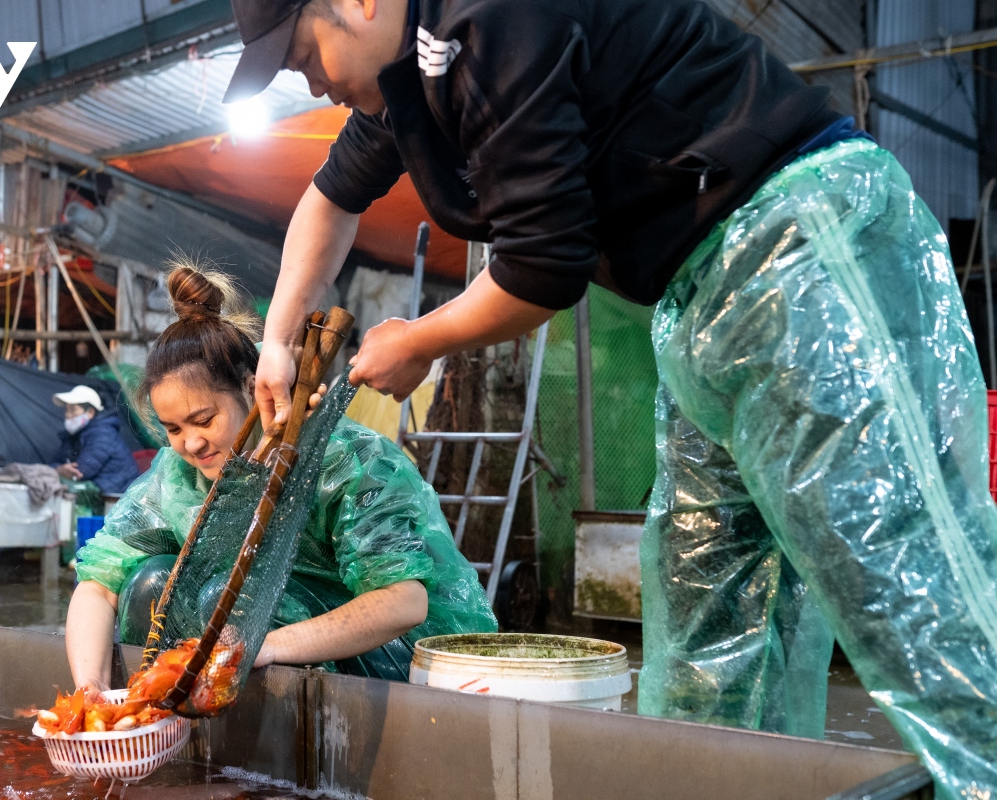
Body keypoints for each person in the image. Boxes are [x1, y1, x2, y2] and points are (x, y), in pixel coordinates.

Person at [226, 0, 997, 795]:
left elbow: (541, 268)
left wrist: (418, 341)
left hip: (799, 250)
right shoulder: (407, 85)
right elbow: (330, 199)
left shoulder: (490, 21)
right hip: (697, 297)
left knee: (903, 569)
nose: (308, 80)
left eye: (303, 54)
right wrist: (277, 340)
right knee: (709, 600)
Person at [65, 264, 495, 695]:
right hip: (253, 648)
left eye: (204, 420)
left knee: (226, 599)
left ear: (252, 388)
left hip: (399, 662)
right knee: (150, 583)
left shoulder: (345, 460)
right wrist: (90, 691)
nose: (191, 444)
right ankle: (163, 723)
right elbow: (98, 588)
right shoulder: (177, 474)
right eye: (174, 429)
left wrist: (265, 645)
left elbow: (405, 602)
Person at [49, 386, 140, 495]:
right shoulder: (73, 436)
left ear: (90, 412)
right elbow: (53, 464)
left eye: (73, 410)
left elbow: (80, 472)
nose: (68, 415)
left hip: (119, 499)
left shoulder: (103, 433)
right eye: (67, 410)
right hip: (99, 494)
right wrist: (59, 470)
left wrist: (58, 471)